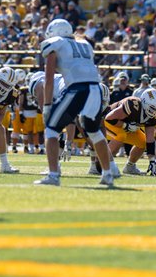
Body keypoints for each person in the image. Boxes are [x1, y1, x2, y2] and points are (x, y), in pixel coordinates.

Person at [35, 19, 115, 188]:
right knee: (94, 132)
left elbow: (48, 78)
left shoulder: (54, 43)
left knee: (51, 128)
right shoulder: (85, 44)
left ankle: (53, 174)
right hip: (95, 89)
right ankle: (108, 173)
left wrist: (48, 105)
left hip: (77, 88)